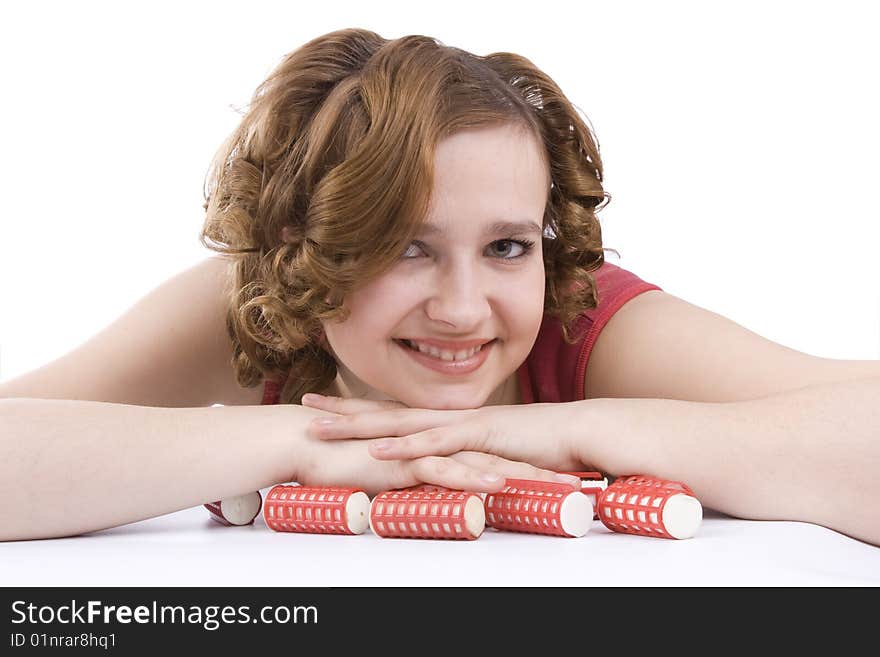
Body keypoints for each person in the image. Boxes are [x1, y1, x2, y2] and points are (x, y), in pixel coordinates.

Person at [1, 28, 878, 545]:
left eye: (506, 246)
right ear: (303, 251)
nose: (464, 308)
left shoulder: (585, 322)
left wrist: (557, 428)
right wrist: (298, 440)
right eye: (404, 249)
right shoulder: (263, 307)